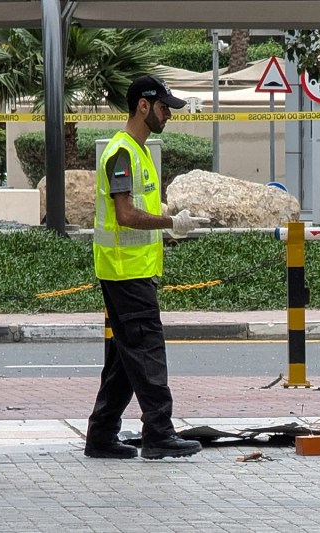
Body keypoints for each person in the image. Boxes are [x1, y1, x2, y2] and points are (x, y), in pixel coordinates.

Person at [85, 75, 209, 460]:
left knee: (126, 358)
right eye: (163, 107)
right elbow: (125, 215)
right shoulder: (122, 153)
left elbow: (135, 213)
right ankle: (158, 434)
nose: (168, 115)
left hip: (130, 269)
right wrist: (171, 223)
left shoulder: (137, 152)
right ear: (143, 105)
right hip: (126, 272)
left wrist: (167, 229)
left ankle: (102, 436)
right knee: (148, 350)